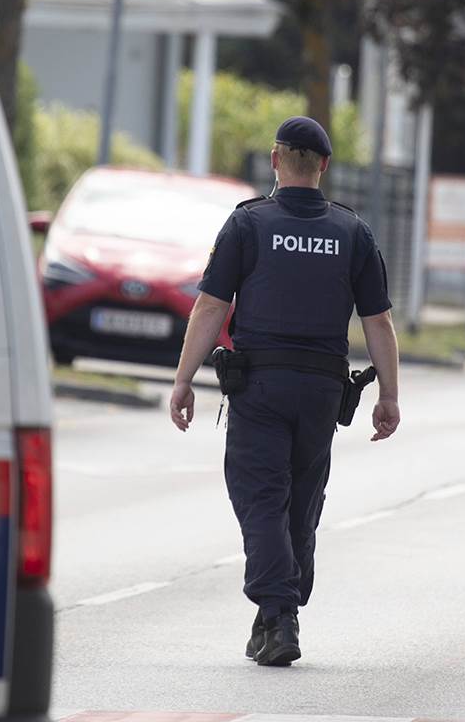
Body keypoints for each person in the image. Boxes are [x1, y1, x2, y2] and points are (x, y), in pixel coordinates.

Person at [169, 116, 400, 667]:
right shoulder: (352, 232)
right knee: (301, 500)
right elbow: (378, 321)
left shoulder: (248, 224)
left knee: (261, 497)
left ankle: (279, 615)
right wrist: (388, 395)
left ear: (276, 160)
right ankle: (276, 612)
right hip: (322, 391)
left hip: (261, 386)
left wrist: (183, 379)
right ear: (324, 166)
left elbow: (211, 306)